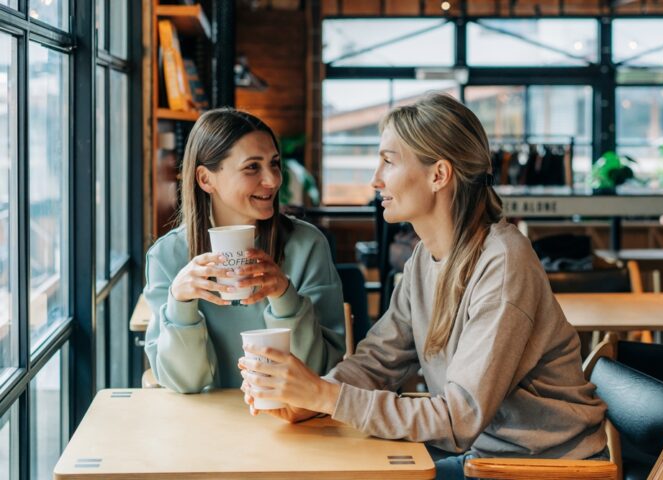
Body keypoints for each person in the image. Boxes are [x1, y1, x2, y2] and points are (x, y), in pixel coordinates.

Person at [238, 93, 608, 479]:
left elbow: (457, 419)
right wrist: (310, 398)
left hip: (544, 470)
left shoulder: (502, 262)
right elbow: (377, 361)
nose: (375, 180)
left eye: (388, 161)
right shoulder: (424, 260)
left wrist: (324, 396)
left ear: (439, 175)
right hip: (485, 457)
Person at [144, 108, 345, 393]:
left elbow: (318, 372)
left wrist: (284, 296)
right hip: (204, 427)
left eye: (274, 164)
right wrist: (181, 304)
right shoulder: (167, 257)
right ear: (205, 179)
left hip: (292, 423)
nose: (273, 180)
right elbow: (185, 384)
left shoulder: (307, 245)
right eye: (252, 167)